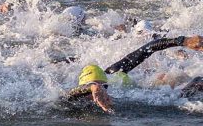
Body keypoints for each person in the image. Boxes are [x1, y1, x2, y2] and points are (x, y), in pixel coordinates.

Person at [65, 36, 203, 113]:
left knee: (175, 78)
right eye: (94, 87)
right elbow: (69, 95)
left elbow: (148, 48)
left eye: (104, 86)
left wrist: (183, 41)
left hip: (145, 89)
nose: (102, 92)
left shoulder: (114, 73)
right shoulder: (75, 100)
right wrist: (92, 87)